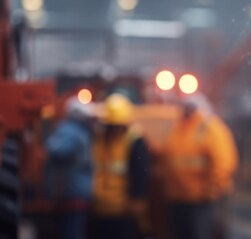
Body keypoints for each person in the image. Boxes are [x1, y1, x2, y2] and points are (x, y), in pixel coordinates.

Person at [162, 93, 238, 239]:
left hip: (202, 200)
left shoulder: (211, 128)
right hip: (178, 198)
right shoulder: (178, 127)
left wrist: (213, 191)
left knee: (200, 234)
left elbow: (223, 162)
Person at [90, 93, 151, 239]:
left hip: (124, 209)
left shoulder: (134, 140)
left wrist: (137, 199)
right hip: (100, 207)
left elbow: (140, 173)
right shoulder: (98, 139)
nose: (113, 129)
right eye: (110, 125)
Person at [44, 96, 95, 239]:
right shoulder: (77, 132)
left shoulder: (70, 131)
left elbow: (54, 150)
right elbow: (58, 151)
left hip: (70, 193)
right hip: (75, 193)